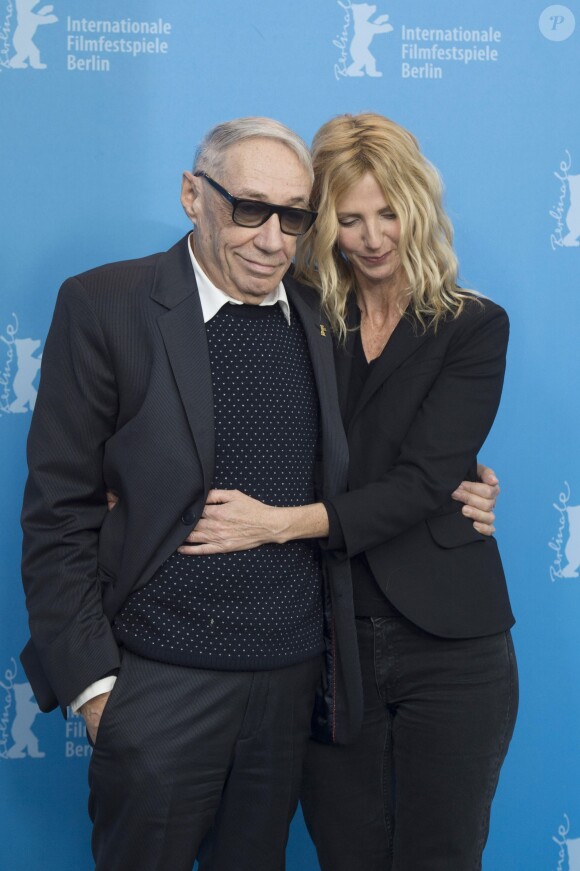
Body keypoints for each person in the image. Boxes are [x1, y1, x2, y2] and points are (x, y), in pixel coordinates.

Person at [20, 114, 499, 871]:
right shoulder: (117, 303)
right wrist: (98, 690)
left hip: (298, 678)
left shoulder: (324, 312)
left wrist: (453, 487)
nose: (272, 238)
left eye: (293, 217)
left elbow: (402, 455)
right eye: (250, 209)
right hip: (161, 676)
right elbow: (59, 512)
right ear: (192, 194)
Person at [180, 113, 517, 870]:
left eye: (389, 213)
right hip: (329, 638)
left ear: (419, 210)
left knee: (441, 856)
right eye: (350, 218)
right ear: (320, 223)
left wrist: (279, 523)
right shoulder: (294, 315)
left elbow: (429, 477)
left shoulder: (472, 327)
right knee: (350, 856)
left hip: (452, 643)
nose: (372, 237)